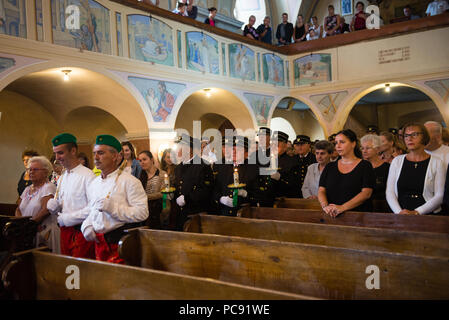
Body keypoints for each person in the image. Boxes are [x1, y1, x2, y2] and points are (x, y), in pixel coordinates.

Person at [81, 135, 149, 263]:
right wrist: (87, 225)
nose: (95, 157)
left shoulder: (130, 181)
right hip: (98, 243)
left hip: (119, 243)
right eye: (94, 153)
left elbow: (143, 213)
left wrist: (114, 209)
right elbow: (93, 210)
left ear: (116, 156)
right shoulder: (94, 183)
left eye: (101, 153)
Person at [46, 133, 96, 258]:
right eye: (56, 153)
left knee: (80, 272)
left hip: (81, 232)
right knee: (68, 271)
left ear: (73, 151)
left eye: (60, 153)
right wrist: (55, 205)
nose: (57, 158)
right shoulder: (63, 176)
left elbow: (94, 207)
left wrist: (69, 218)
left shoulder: (88, 176)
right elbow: (64, 202)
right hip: (65, 231)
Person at [386, 123, 445, 215]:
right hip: (400, 213)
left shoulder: (437, 162)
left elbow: (439, 195)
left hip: (428, 214)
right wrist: (399, 213)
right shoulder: (397, 161)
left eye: (414, 134)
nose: (409, 139)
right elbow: (390, 192)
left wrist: (417, 212)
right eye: (406, 135)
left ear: (424, 137)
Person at [318, 129, 375, 217]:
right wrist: (325, 206)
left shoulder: (365, 165)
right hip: (331, 215)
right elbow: (321, 190)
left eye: (342, 142)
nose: (338, 146)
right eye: (336, 143)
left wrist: (342, 207)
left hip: (359, 217)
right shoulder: (330, 167)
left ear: (353, 144)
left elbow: (366, 193)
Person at [15, 156, 60, 253]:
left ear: (46, 172)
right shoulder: (27, 189)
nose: (31, 172)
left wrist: (29, 224)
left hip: (43, 232)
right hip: (26, 231)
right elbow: (18, 208)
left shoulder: (48, 187)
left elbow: (45, 210)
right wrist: (20, 223)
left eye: (35, 169)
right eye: (29, 169)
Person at [173, 134, 214, 230]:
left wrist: (187, 198)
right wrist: (172, 195)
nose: (177, 150)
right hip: (181, 213)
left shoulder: (202, 166)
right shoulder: (178, 168)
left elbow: (206, 189)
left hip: (196, 213)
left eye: (180, 147)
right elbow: (178, 186)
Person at [213, 136, 259, 216]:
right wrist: (221, 199)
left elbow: (258, 194)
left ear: (246, 153)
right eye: (232, 149)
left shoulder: (253, 168)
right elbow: (214, 188)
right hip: (223, 212)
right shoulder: (222, 166)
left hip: (245, 213)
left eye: (238, 149)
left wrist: (246, 194)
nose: (234, 152)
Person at [138, 150, 167, 229]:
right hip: (144, 210)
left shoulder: (162, 174)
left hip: (158, 209)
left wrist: (146, 197)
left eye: (144, 159)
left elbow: (164, 193)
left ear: (151, 159)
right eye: (140, 161)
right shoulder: (141, 176)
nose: (142, 162)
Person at [361, 134, 390, 206]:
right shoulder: (359, 167)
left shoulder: (387, 168)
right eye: (362, 148)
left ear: (377, 149)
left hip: (381, 206)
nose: (364, 151)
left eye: (368, 148)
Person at [271, 131, 301, 198]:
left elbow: (294, 184)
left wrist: (280, 177)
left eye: (277, 144)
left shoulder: (292, 161)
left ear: (285, 145)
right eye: (272, 144)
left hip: (284, 197)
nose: (273, 147)